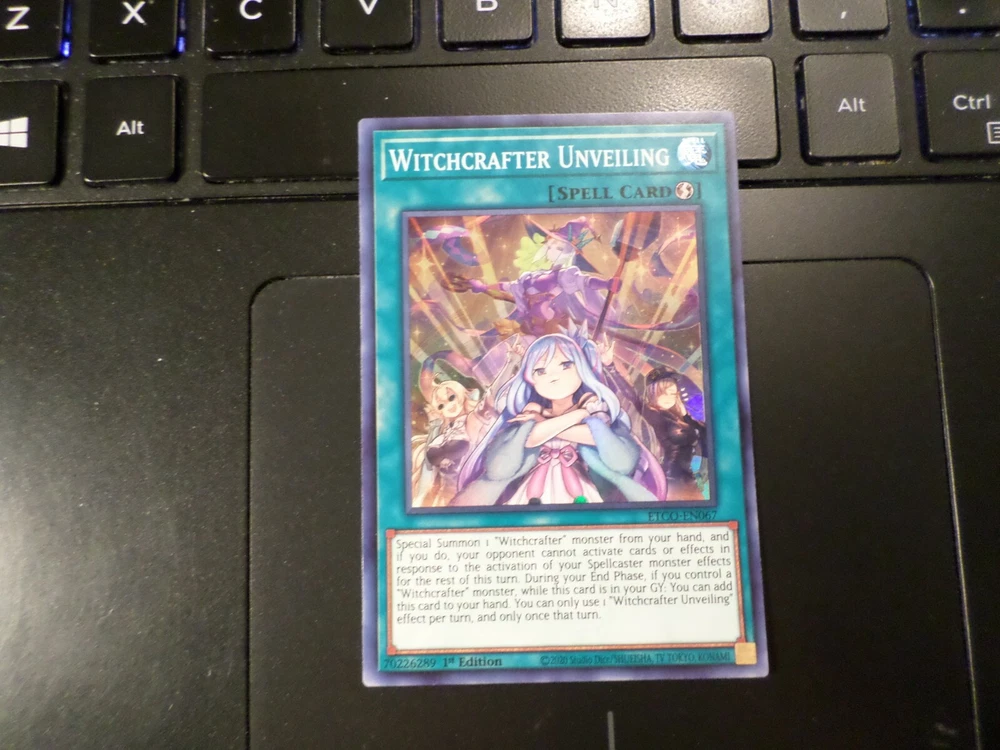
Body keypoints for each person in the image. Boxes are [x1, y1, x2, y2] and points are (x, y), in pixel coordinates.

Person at [452, 331, 665, 506]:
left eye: (565, 365)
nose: (553, 376)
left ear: (581, 368)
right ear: (531, 379)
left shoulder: (591, 401)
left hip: (580, 481)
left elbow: (595, 436)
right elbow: (532, 438)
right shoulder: (537, 407)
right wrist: (580, 414)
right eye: (540, 371)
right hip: (535, 480)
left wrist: (543, 422)